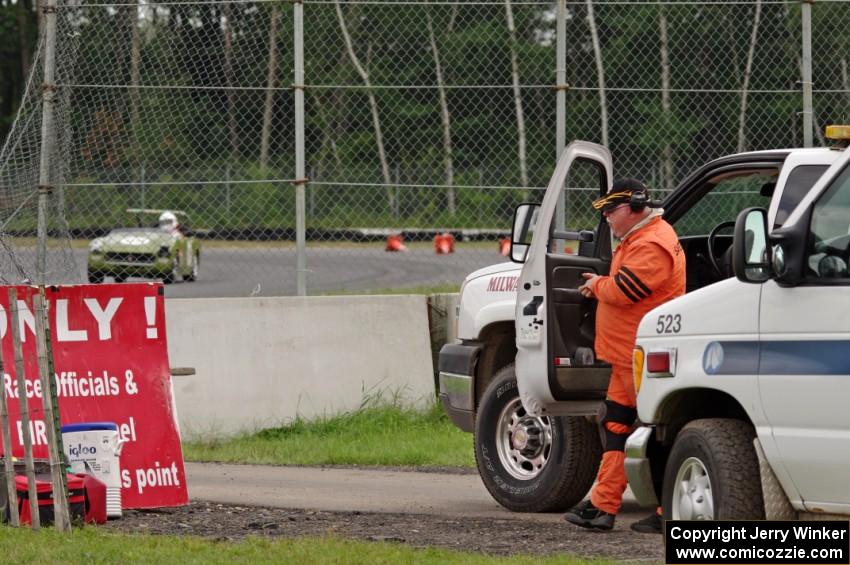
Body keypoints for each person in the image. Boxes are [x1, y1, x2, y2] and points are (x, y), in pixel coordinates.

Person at [563, 178, 686, 534]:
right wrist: (603, 284)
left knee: (655, 431)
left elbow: (626, 290)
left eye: (611, 212)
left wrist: (596, 286)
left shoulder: (653, 242)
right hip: (627, 355)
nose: (607, 220)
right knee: (615, 424)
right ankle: (603, 506)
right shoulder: (641, 237)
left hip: (642, 355)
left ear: (633, 207)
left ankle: (669, 513)